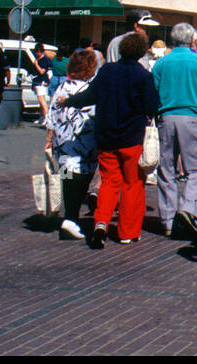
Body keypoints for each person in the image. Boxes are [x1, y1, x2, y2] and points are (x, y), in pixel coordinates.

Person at [54, 32, 160, 247]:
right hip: (131, 138)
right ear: (141, 52)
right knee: (132, 184)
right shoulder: (143, 76)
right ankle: (127, 232)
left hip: (106, 137)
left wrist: (69, 101)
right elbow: (152, 107)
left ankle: (101, 222)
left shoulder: (107, 71)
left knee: (109, 183)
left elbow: (90, 96)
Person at [152, 22, 197, 240]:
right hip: (191, 117)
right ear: (192, 40)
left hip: (166, 116)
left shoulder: (161, 63)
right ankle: (188, 210)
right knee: (195, 169)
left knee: (167, 169)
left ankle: (168, 219)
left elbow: (153, 92)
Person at [43, 48, 99, 240]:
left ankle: (69, 215)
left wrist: (49, 140)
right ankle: (71, 218)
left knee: (66, 178)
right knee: (82, 179)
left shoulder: (62, 87)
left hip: (62, 144)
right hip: (84, 144)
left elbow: (51, 117)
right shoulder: (89, 91)